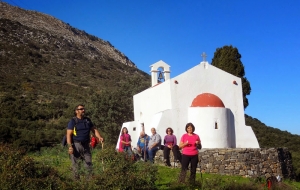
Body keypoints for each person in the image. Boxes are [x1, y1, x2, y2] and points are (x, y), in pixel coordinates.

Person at [67, 104, 103, 179]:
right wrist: (70, 147)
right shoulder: (73, 121)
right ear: (76, 111)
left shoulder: (87, 120)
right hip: (76, 145)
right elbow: (68, 135)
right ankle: (76, 184)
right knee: (76, 166)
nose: (83, 110)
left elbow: (94, 130)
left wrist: (99, 137)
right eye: (81, 109)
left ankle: (89, 184)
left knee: (89, 165)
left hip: (86, 145)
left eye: (84, 109)